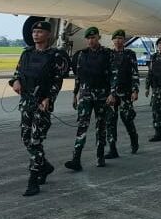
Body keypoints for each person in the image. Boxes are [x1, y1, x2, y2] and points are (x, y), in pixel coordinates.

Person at [9, 21, 69, 197]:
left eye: (40, 32)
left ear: (48, 35)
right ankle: (45, 166)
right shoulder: (26, 54)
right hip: (26, 102)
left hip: (41, 104)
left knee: (36, 141)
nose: (36, 34)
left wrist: (49, 98)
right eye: (34, 31)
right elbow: (17, 73)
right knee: (26, 138)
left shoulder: (56, 55)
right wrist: (15, 81)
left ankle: (33, 179)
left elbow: (57, 80)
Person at [66, 26, 117, 170]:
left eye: (93, 38)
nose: (90, 41)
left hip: (102, 95)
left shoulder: (108, 54)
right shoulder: (82, 55)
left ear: (98, 38)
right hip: (85, 94)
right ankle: (76, 159)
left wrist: (112, 93)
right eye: (88, 38)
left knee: (101, 126)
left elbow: (114, 74)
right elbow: (78, 76)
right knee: (82, 125)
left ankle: (100, 155)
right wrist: (75, 94)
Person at [106, 29, 140, 157]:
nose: (118, 41)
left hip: (125, 93)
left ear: (124, 40)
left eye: (121, 38)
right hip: (111, 94)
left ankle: (134, 140)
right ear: (113, 40)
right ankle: (112, 148)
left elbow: (134, 73)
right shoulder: (108, 54)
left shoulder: (130, 54)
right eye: (116, 38)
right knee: (110, 121)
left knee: (127, 118)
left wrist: (135, 90)